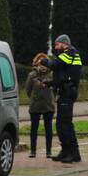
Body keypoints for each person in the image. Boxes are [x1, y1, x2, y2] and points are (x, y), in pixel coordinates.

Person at [49, 33, 83, 163]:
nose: (56, 47)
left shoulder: (70, 53)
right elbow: (61, 75)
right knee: (61, 124)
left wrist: (43, 60)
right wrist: (49, 83)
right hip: (64, 92)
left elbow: (54, 64)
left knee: (65, 124)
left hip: (68, 93)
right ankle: (66, 151)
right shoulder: (67, 54)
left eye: (58, 44)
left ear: (64, 44)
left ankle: (71, 153)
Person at [24, 52, 56, 158]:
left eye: (44, 61)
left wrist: (51, 98)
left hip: (48, 105)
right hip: (35, 105)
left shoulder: (51, 74)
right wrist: (33, 98)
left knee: (48, 129)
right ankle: (33, 151)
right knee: (34, 128)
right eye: (39, 61)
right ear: (36, 63)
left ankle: (49, 151)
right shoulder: (32, 75)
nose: (42, 64)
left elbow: (55, 89)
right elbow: (28, 90)